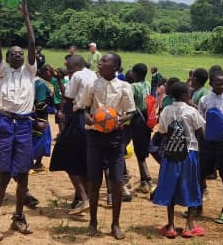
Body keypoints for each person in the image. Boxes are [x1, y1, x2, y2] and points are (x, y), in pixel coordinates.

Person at [0, 0, 37, 241]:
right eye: (13, 53)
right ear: (6, 57)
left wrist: (26, 17)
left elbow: (32, 42)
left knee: (23, 175)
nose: (17, 55)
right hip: (4, 122)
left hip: (24, 123)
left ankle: (18, 217)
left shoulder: (30, 71)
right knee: (3, 174)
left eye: (20, 53)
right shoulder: (2, 70)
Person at [75, 52, 136, 240]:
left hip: (116, 137)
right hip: (95, 136)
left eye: (104, 61)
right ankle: (93, 222)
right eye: (100, 61)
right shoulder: (92, 85)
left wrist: (119, 120)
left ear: (115, 67)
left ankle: (115, 224)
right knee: (94, 180)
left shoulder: (124, 87)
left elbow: (131, 112)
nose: (99, 63)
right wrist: (90, 119)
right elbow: (84, 108)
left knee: (116, 181)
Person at [153, 80, 206, 239]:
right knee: (191, 185)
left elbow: (162, 132)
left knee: (171, 186)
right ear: (184, 96)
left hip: (171, 154)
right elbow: (201, 132)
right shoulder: (191, 111)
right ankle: (189, 226)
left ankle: (170, 226)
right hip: (189, 153)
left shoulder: (166, 111)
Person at [49, 55, 95, 216]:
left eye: (68, 66)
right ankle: (82, 198)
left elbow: (67, 98)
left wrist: (60, 81)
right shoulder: (92, 74)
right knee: (83, 160)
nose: (66, 68)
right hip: (90, 118)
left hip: (77, 118)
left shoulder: (77, 76)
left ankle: (83, 198)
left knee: (65, 157)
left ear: (76, 65)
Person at [197, 71, 223, 225]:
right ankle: (198, 206)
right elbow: (199, 123)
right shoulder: (204, 100)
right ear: (211, 84)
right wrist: (200, 144)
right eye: (218, 84)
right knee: (201, 175)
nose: (222, 86)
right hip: (208, 142)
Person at [128, 63, 154, 194]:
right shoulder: (148, 84)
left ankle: (149, 181)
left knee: (139, 152)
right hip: (147, 118)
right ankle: (143, 181)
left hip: (137, 119)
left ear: (135, 74)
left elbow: (129, 104)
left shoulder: (133, 87)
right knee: (141, 150)